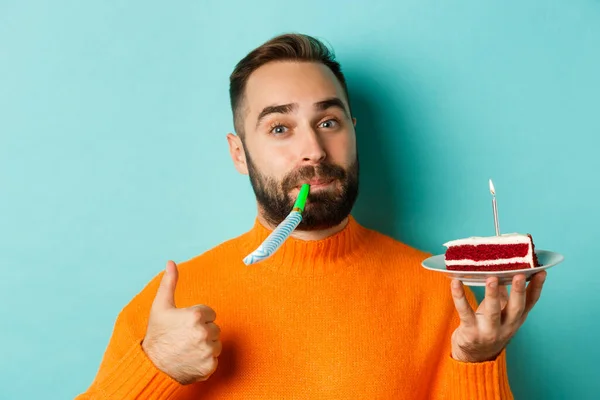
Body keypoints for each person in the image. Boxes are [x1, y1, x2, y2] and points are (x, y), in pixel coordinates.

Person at [75, 33, 546, 400]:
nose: (313, 151)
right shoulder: (169, 308)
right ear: (239, 154)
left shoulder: (446, 295)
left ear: (353, 133)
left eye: (328, 122)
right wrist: (154, 367)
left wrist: (477, 362)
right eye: (280, 128)